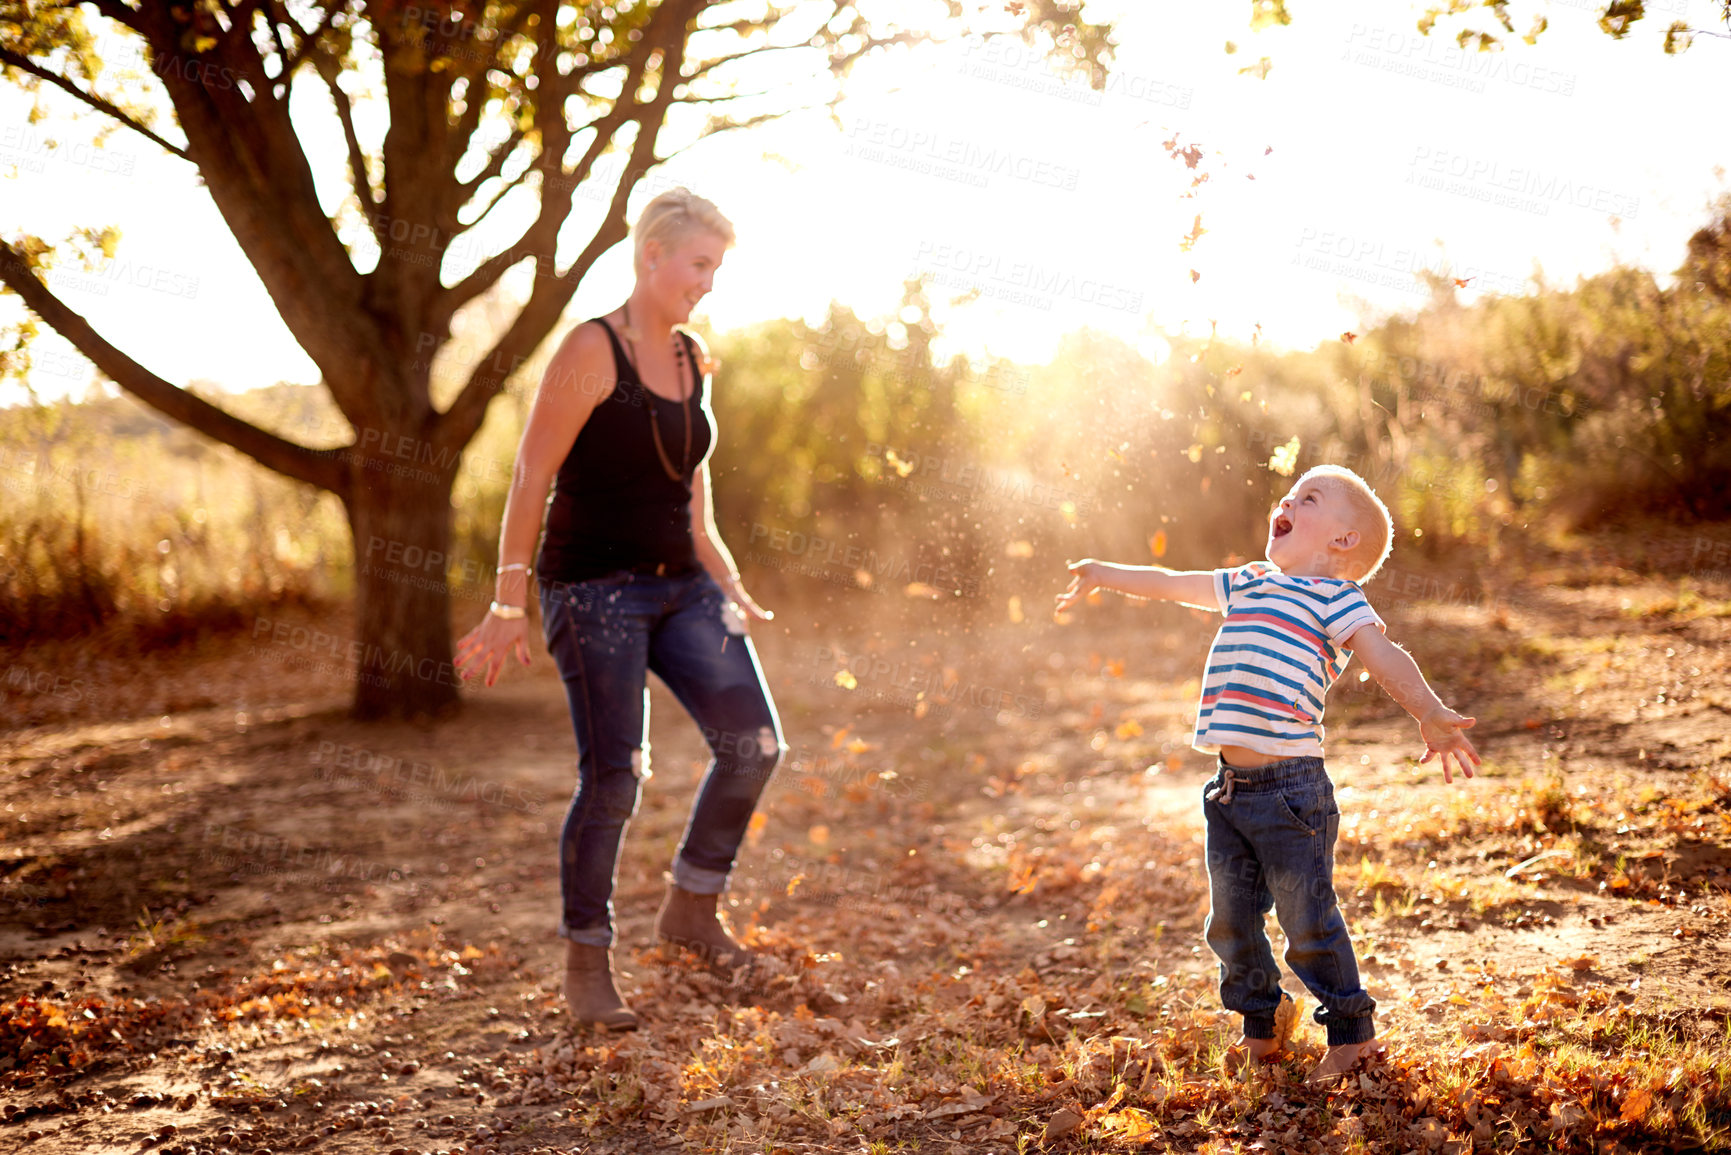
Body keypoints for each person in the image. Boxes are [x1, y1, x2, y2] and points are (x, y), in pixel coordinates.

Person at [454, 189, 783, 1032]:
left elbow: (690, 484)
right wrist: (506, 600)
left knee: (753, 744)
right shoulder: (589, 348)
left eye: (717, 267)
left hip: (683, 586)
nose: (708, 283)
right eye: (699, 264)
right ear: (650, 256)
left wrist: (728, 579)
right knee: (613, 778)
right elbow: (531, 475)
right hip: (592, 589)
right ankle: (586, 960)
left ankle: (691, 910)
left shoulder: (690, 356)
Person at [1054, 464, 1479, 1082]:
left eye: (1308, 499)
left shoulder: (1337, 599)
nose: (1286, 500)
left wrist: (1431, 712)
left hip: (1291, 793)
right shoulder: (1248, 582)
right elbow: (1172, 583)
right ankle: (1262, 1023)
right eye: (1288, 493)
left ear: (1342, 542)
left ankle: (1352, 1035)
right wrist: (1102, 574)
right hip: (1228, 791)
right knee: (1229, 922)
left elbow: (1386, 657)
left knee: (1307, 920)